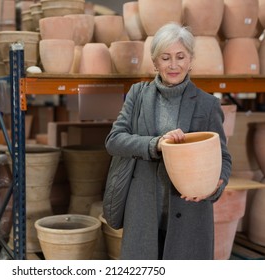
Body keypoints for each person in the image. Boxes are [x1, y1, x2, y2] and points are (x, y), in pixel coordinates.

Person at [104, 22, 232, 260]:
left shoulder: (207, 104)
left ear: (191, 60)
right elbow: (114, 140)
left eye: (180, 57)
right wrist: (155, 144)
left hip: (190, 215)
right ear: (154, 61)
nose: (174, 65)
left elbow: (223, 157)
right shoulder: (138, 95)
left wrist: (215, 186)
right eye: (165, 57)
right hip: (143, 213)